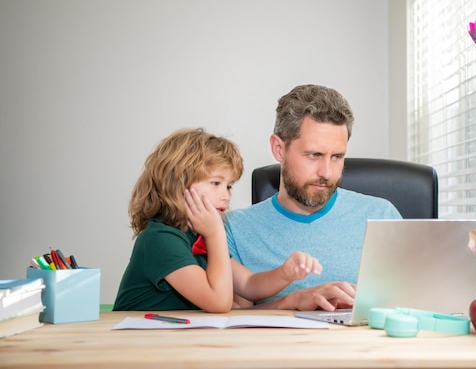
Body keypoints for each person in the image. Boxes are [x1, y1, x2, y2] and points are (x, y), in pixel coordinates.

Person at [224, 84, 402, 311]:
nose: (326, 173)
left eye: (337, 157)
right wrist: (293, 301)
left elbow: (416, 302)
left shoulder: (383, 216)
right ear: (279, 148)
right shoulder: (236, 229)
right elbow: (235, 323)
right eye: (314, 155)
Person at [113, 128, 322, 312]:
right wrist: (215, 234)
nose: (225, 196)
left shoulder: (196, 237)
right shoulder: (160, 239)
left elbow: (249, 285)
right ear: (178, 183)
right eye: (215, 183)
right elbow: (219, 302)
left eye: (228, 186)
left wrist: (285, 273)